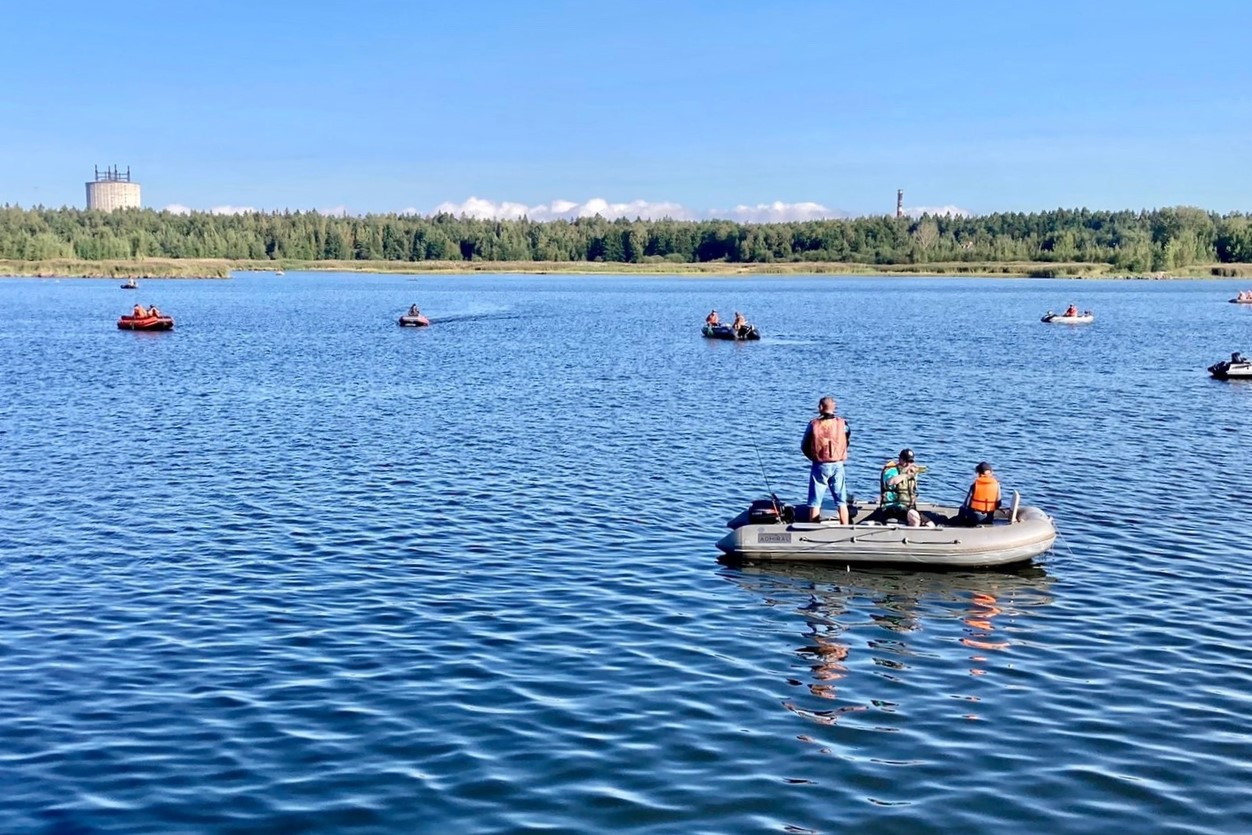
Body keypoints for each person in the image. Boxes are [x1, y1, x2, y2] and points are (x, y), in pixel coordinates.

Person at [801, 396, 850, 524]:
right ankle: (845, 528)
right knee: (841, 501)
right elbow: (847, 439)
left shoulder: (814, 424)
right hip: (838, 464)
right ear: (834, 408)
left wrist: (813, 458)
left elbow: (804, 445)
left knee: (815, 502)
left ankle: (812, 529)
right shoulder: (843, 423)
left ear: (821, 408)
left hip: (820, 464)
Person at [875, 449, 925, 525]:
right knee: (914, 518)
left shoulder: (913, 472)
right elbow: (891, 482)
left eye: (911, 462)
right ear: (900, 459)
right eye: (906, 461)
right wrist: (906, 474)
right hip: (892, 507)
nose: (908, 464)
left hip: (907, 507)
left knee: (930, 524)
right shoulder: (891, 470)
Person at [958, 462, 1002, 526]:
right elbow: (999, 504)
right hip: (989, 518)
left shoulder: (974, 485)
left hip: (975, 518)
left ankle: (960, 524)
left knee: (962, 508)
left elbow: (966, 504)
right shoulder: (996, 484)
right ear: (991, 472)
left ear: (979, 473)